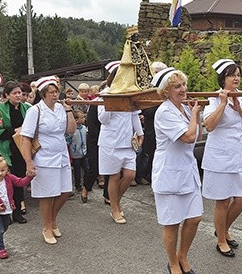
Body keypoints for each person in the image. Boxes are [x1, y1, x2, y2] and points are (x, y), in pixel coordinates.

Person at [202, 59, 242, 257]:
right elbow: (209, 126)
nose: (236, 78)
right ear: (223, 78)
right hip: (218, 155)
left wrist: (239, 109)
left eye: (238, 74)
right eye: (231, 75)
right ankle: (221, 239)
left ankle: (223, 228)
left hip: (237, 154)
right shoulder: (213, 98)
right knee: (223, 201)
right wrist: (223, 103)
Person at [151, 67, 203, 274]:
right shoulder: (163, 112)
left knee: (194, 218)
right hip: (169, 173)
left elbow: (198, 134)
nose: (184, 89)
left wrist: (194, 116)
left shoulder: (182, 108)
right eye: (177, 86)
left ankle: (183, 255)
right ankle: (172, 262)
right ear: (166, 91)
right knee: (172, 223)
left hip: (187, 171)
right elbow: (189, 137)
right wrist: (194, 115)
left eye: (184, 84)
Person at [19, 76, 77, 245]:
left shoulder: (60, 108)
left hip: (61, 155)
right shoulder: (35, 111)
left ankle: (52, 220)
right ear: (43, 94)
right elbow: (26, 139)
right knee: (47, 195)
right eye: (51, 92)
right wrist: (29, 162)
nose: (54, 95)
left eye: (56, 91)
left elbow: (71, 130)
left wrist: (68, 110)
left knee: (65, 191)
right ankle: (46, 227)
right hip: (44, 158)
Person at [97, 61, 144, 224]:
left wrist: (140, 133)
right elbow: (102, 119)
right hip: (110, 142)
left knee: (130, 175)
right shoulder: (105, 93)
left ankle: (115, 201)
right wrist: (110, 103)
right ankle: (114, 209)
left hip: (127, 142)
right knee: (114, 176)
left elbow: (134, 115)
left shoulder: (129, 93)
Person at [0, 81, 32, 224]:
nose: (18, 95)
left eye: (20, 92)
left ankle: (18, 211)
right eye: (14, 93)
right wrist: (14, 131)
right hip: (8, 149)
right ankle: (6, 211)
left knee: (19, 181)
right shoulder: (0, 110)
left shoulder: (27, 108)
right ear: (7, 95)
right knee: (7, 182)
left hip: (23, 150)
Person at [0, 153, 33, 259]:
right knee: (0, 229)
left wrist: (29, 177)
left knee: (5, 227)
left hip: (6, 209)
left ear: (7, 170)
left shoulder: (9, 178)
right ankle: (1, 248)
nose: (0, 173)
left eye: (2, 170)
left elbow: (20, 182)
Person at [137, 61, 168, 185]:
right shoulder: (148, 90)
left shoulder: (167, 90)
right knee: (150, 154)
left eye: (157, 72)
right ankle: (147, 176)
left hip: (165, 128)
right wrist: (161, 106)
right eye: (154, 72)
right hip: (151, 128)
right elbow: (145, 110)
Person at [68, 109, 88, 193]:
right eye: (82, 117)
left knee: (87, 169)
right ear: (76, 120)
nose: (84, 119)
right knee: (77, 171)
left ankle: (86, 184)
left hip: (84, 152)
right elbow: (68, 140)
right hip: (76, 154)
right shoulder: (72, 130)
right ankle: (77, 185)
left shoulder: (84, 128)